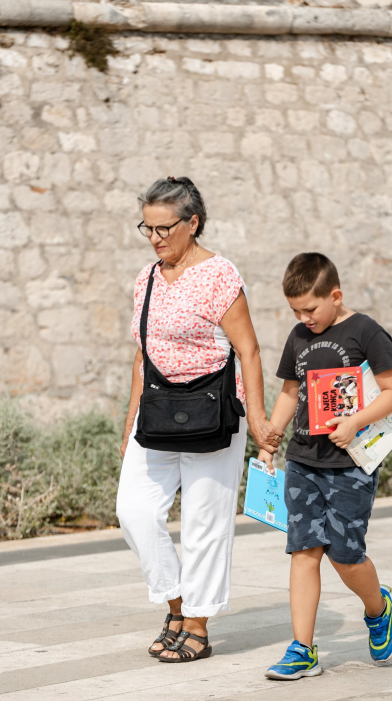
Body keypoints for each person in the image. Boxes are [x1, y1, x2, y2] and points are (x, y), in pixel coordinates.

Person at [115, 176, 283, 664]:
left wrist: (257, 417)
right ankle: (176, 602)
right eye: (146, 228)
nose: (156, 238)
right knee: (135, 512)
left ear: (193, 223)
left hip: (214, 414)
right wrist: (129, 423)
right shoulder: (144, 279)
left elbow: (248, 348)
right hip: (157, 413)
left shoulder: (219, 275)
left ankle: (197, 625)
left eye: (165, 228)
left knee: (204, 524)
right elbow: (142, 355)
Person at [258, 252, 392, 680]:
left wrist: (356, 421)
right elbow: (290, 392)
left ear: (335, 295)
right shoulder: (298, 337)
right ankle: (302, 648)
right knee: (304, 551)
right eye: (295, 311)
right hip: (303, 461)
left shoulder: (367, 332)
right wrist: (271, 440)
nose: (303, 317)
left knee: (345, 557)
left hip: (351, 465)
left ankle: (378, 608)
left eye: (311, 309)